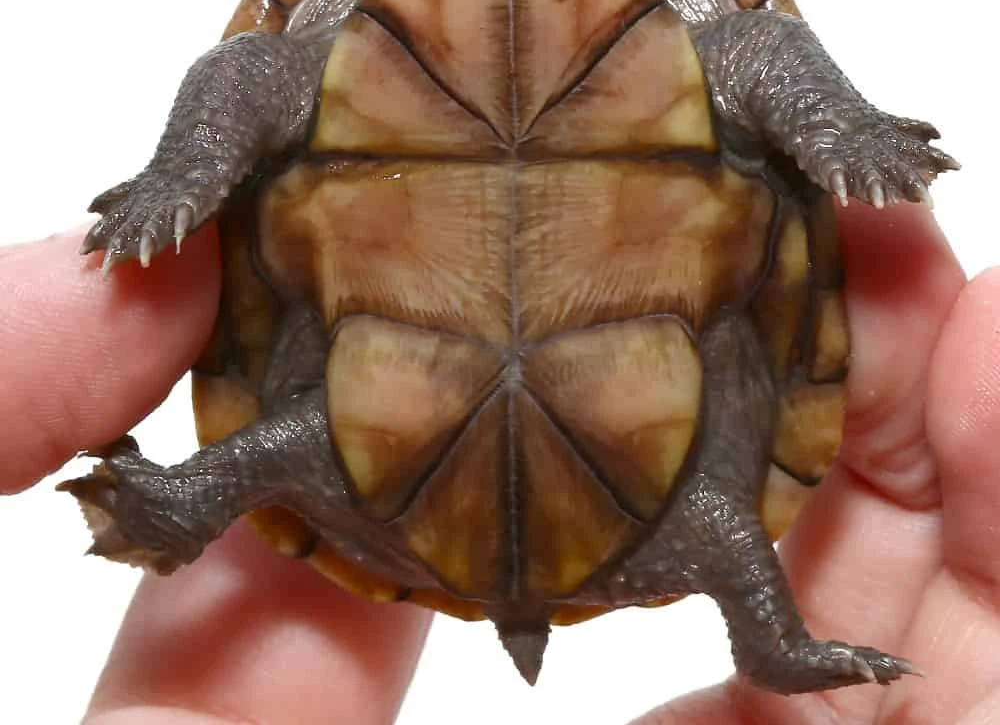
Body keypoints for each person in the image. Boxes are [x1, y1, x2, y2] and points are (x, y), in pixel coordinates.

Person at [2, 202, 997, 725]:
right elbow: (259, 75)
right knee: (699, 504)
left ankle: (185, 500)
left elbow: (257, 72)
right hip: (625, 459)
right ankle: (774, 648)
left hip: (400, 437)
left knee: (332, 436)